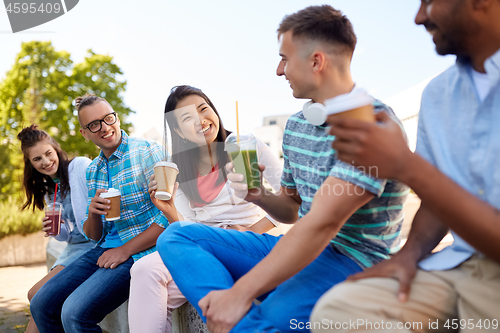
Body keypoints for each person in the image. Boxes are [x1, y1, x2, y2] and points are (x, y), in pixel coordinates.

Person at [156, 6, 409, 333]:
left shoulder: (371, 124)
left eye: (285, 59)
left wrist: (240, 293)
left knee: (269, 320)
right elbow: (291, 208)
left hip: (355, 261)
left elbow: (323, 224)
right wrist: (258, 194)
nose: (278, 70)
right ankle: (236, 322)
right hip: (301, 249)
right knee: (177, 236)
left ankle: (242, 320)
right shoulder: (297, 125)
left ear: (316, 61)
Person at [311, 0, 500, 332]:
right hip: (461, 263)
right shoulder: (439, 93)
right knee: (337, 312)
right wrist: (408, 255)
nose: (418, 17)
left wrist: (405, 165)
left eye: (430, 2)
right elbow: (438, 202)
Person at [127, 85, 283, 333]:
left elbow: (292, 199)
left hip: (248, 243)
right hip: (201, 245)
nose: (201, 120)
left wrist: (250, 230)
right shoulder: (177, 167)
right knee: (144, 270)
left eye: (203, 109)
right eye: (188, 118)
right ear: (178, 130)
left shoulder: (245, 145)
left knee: (154, 286)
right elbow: (185, 228)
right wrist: (167, 209)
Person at [30, 94, 169, 333]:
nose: (105, 127)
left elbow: (168, 217)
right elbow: (94, 235)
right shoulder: (93, 169)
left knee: (74, 314)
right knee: (41, 303)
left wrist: (124, 250)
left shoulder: (147, 152)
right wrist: (93, 214)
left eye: (108, 118)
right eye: (94, 124)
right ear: (85, 133)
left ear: (116, 117)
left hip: (141, 252)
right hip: (103, 250)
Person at [17, 125, 94, 333]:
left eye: (48, 153)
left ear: (56, 149)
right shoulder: (51, 189)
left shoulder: (79, 166)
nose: (45, 161)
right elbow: (64, 237)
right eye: (37, 159)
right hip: (72, 248)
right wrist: (55, 229)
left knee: (36, 296)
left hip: (93, 245)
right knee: (37, 301)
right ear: (31, 163)